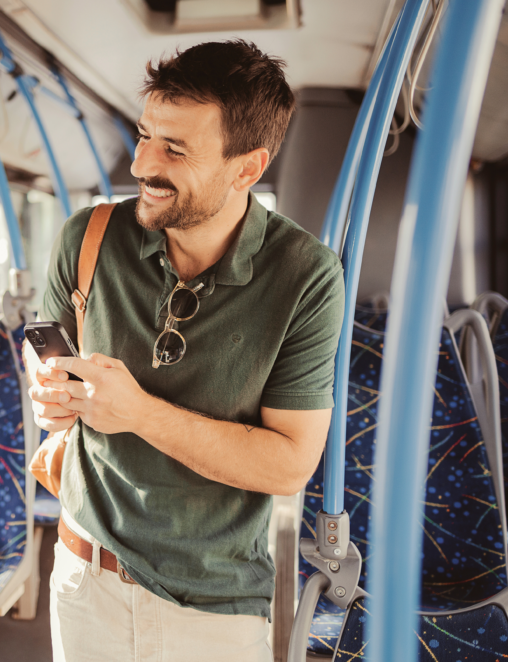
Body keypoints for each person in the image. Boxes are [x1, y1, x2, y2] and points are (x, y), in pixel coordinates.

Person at [26, 40, 344, 661]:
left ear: (246, 168)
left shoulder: (306, 275)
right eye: (144, 135)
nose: (143, 163)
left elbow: (288, 466)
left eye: (174, 149)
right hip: (84, 574)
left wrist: (138, 413)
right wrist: (49, 391)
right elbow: (46, 350)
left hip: (215, 605)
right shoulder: (88, 237)